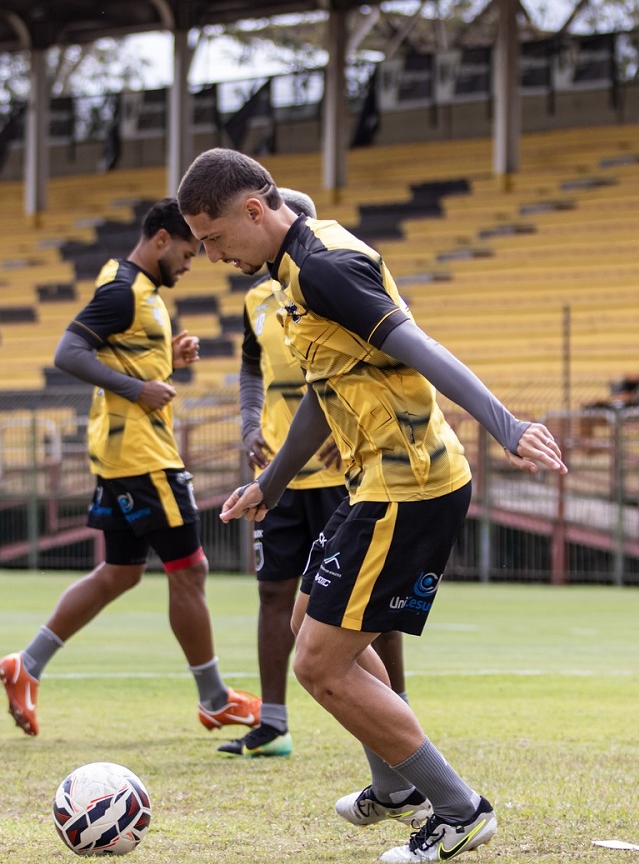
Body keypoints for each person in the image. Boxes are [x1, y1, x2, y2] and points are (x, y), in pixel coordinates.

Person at [178, 149, 567, 862]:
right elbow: (326, 396)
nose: (209, 256)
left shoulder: (322, 267)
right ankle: (394, 790)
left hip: (409, 486)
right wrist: (271, 484)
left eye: (212, 239)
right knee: (311, 626)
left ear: (254, 212)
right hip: (375, 485)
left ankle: (458, 808)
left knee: (319, 665)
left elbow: (419, 346)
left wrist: (505, 424)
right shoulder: (291, 268)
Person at [0, 198, 260, 739]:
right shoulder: (122, 291)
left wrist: (167, 362)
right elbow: (68, 353)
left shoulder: (137, 290)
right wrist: (138, 387)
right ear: (161, 240)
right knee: (190, 570)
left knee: (121, 570)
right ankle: (214, 700)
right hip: (142, 456)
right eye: (188, 251)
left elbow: (120, 356)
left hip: (124, 451)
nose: (194, 262)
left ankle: (28, 664)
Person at [220, 187, 408, 760]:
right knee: (273, 591)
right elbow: (251, 367)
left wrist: (334, 429)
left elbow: (351, 368)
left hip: (341, 470)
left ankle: (396, 714)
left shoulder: (324, 278)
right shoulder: (258, 299)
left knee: (371, 603)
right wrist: (251, 423)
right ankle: (273, 724)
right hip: (279, 472)